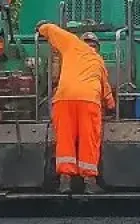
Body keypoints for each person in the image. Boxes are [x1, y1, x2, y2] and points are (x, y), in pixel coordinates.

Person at [36, 21, 116, 193]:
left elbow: (52, 30)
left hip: (64, 99)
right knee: (89, 139)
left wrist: (41, 28)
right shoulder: (99, 62)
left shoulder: (72, 44)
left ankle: (65, 181)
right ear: (97, 47)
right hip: (88, 101)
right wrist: (112, 106)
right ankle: (89, 181)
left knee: (65, 139)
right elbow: (106, 90)